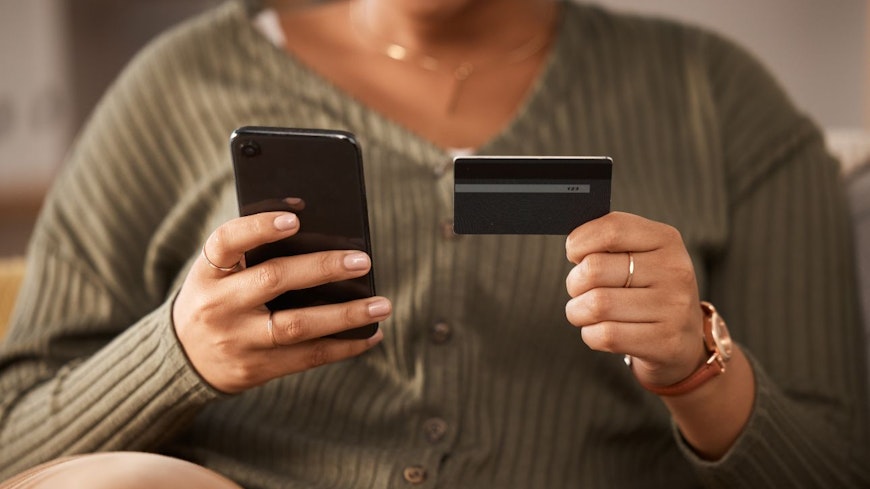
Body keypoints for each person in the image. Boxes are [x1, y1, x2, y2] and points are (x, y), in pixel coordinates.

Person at [0, 0, 867, 487]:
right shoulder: (173, 88)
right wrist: (178, 354)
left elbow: (833, 468)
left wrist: (696, 369)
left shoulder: (719, 101)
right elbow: (13, 441)